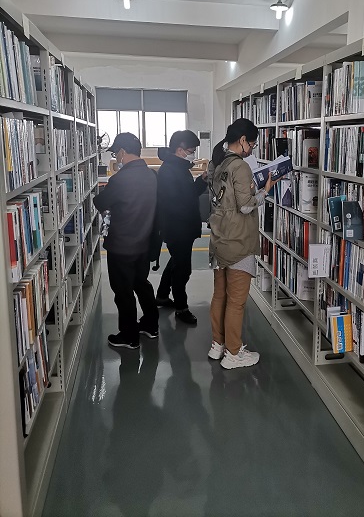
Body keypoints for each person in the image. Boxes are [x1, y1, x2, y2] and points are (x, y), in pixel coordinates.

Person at [208, 119, 277, 369]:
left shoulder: (216, 162)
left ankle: (218, 345)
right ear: (243, 140)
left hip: (219, 239)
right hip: (238, 240)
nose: (252, 149)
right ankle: (234, 354)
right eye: (253, 144)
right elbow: (245, 206)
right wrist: (265, 190)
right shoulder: (240, 166)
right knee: (236, 301)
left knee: (220, 296)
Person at [93, 132, 159, 349]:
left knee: (123, 292)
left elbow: (101, 202)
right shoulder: (151, 175)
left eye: (115, 153)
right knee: (142, 284)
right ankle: (151, 325)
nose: (116, 157)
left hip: (121, 246)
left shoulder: (119, 179)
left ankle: (129, 336)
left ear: (122, 151)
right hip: (144, 243)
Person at [156, 130, 207, 325]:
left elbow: (188, 194)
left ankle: (162, 296)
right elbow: (178, 202)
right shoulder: (170, 171)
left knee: (176, 262)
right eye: (191, 151)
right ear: (179, 150)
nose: (192, 154)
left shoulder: (178, 167)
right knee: (183, 269)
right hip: (178, 228)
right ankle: (181, 308)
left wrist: (201, 181)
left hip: (182, 227)